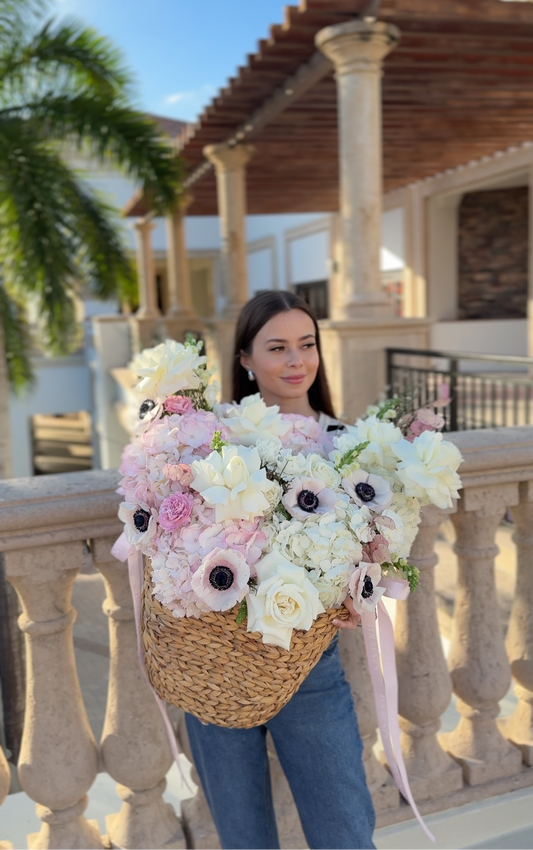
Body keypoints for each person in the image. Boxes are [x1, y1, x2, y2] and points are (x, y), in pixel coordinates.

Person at [185, 290, 376, 850]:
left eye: (307, 344)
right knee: (244, 841)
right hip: (217, 664)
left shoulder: (347, 443)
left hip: (311, 670)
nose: (297, 361)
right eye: (277, 348)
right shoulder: (213, 440)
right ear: (245, 359)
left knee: (345, 833)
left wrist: (355, 594)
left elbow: (375, 554)